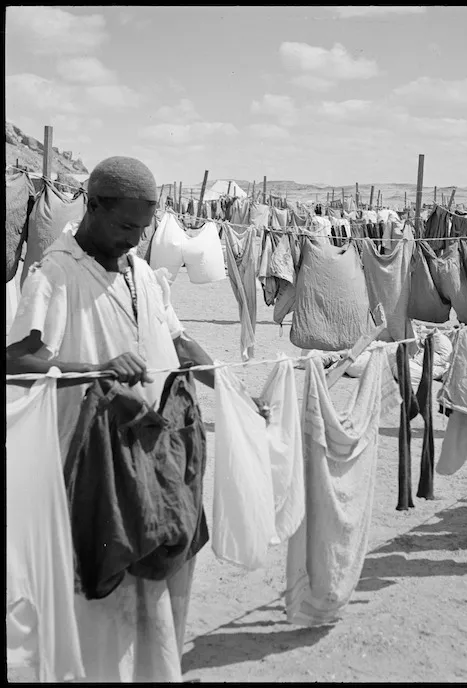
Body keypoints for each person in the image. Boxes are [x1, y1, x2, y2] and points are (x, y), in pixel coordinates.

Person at [6, 156, 264, 682]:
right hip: (91, 466)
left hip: (152, 461)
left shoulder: (141, 272)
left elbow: (177, 341)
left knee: (157, 591)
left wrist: (231, 391)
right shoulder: (55, 274)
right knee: (99, 606)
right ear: (93, 207)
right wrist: (95, 369)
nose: (133, 239)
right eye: (125, 227)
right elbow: (17, 361)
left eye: (142, 229)